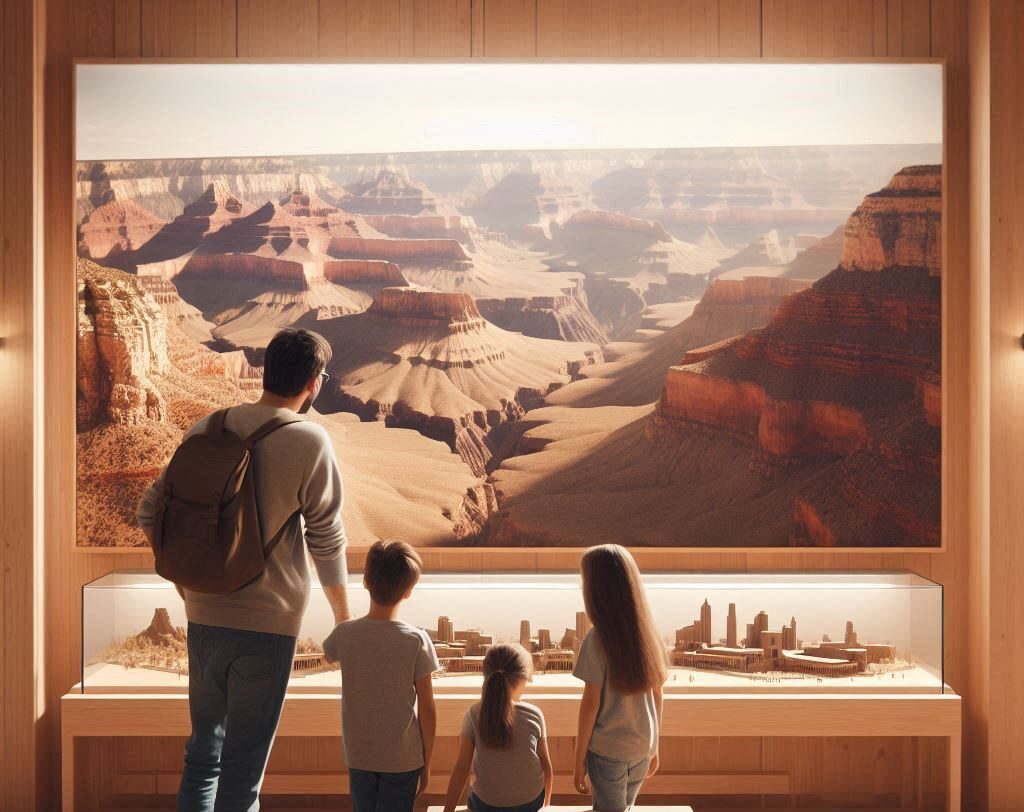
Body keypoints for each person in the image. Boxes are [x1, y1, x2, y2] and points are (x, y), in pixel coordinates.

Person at [137, 327, 351, 812]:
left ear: (266, 370)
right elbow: (326, 538)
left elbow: (149, 513)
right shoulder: (309, 440)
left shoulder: (207, 428)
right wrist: (343, 619)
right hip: (268, 625)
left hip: (205, 620)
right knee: (242, 774)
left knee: (202, 758)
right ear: (314, 384)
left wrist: (188, 586)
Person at [323, 540, 439, 812]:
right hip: (403, 760)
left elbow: (327, 654)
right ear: (409, 591)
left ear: (365, 582)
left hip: (359, 756)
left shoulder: (345, 634)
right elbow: (428, 709)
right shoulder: (416, 640)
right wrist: (428, 762)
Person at [572, 544, 666, 812]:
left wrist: (579, 760)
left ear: (597, 590)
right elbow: (657, 695)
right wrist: (655, 745)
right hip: (641, 749)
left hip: (608, 753)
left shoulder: (598, 638)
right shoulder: (649, 635)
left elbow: (590, 705)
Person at [443, 643, 553, 812]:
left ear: (486, 675)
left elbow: (461, 768)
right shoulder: (535, 714)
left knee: (474, 794)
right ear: (523, 678)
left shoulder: (473, 714)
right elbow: (546, 767)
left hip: (486, 806)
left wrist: (447, 810)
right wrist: (546, 803)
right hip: (530, 803)